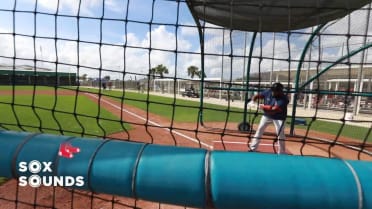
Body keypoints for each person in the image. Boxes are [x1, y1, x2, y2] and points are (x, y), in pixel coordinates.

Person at [250, 82, 289, 154]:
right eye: (273, 90)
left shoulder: (284, 98)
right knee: (259, 129)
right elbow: (258, 96)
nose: (273, 92)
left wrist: (261, 107)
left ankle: (281, 152)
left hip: (279, 117)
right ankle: (253, 148)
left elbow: (274, 110)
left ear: (280, 91)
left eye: (276, 91)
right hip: (267, 115)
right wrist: (252, 101)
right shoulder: (268, 91)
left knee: (280, 134)